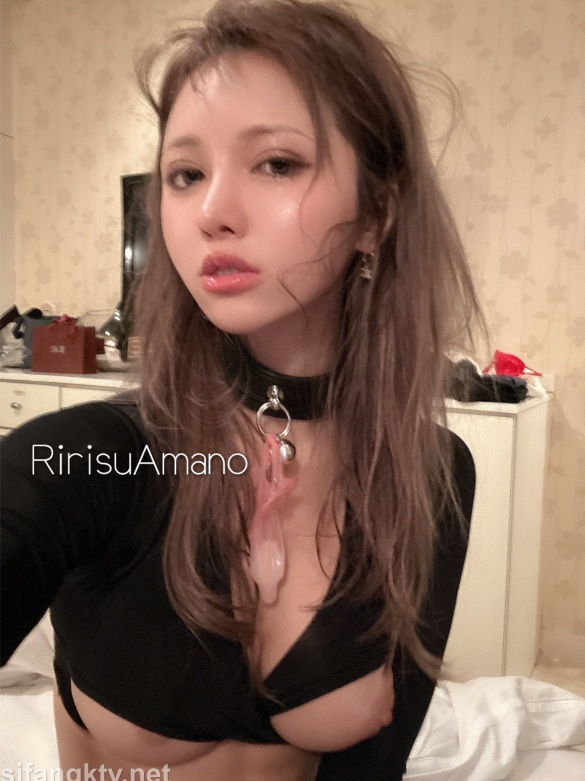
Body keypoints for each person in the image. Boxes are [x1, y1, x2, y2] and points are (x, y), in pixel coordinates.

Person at [1, 0, 481, 778]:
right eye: (185, 175)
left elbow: (375, 764)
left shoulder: (431, 472)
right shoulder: (92, 458)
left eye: (277, 163)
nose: (211, 212)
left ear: (377, 212)